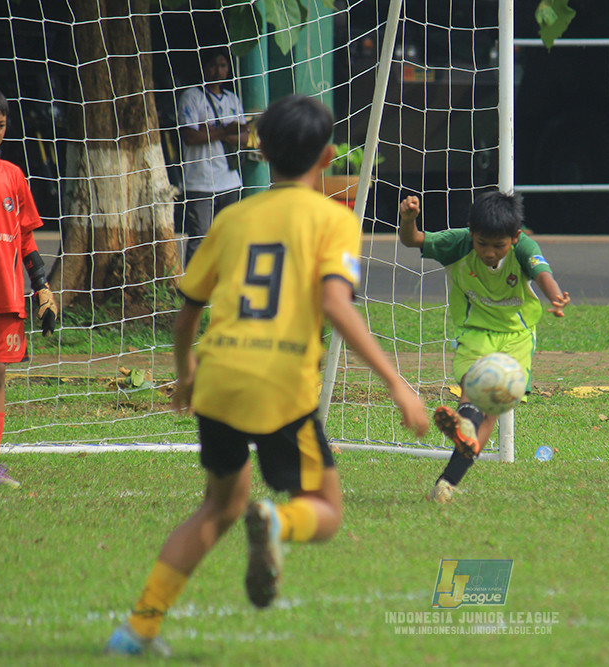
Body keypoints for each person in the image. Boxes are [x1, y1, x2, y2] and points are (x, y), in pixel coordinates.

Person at [104, 94, 428, 657]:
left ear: (259, 149)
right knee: (324, 510)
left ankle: (136, 628)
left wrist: (184, 377)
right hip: (281, 384)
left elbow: (187, 317)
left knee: (219, 506)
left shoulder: (232, 217)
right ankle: (277, 524)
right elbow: (335, 303)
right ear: (327, 156)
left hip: (219, 376)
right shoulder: (333, 219)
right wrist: (398, 385)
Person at [397, 190, 570, 503]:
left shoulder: (524, 247)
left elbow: (543, 273)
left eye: (498, 246)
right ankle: (456, 452)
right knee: (475, 398)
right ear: (471, 232)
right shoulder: (458, 243)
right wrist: (408, 220)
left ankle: (448, 481)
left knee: (488, 411)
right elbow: (413, 240)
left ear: (515, 238)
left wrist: (555, 296)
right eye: (483, 244)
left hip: (516, 336)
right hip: (474, 332)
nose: (490, 253)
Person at [0, 86, 57, 489]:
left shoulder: (13, 177)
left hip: (4, 297)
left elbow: (25, 239)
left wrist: (42, 288)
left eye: (1, 124)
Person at [177, 47, 249, 265]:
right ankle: (194, 291)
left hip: (229, 180)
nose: (218, 71)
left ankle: (223, 283)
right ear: (204, 67)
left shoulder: (232, 99)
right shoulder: (191, 96)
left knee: (229, 236)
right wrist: (227, 131)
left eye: (223, 65)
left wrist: (212, 132)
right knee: (200, 238)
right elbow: (190, 135)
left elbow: (245, 137)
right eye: (213, 65)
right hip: (200, 180)